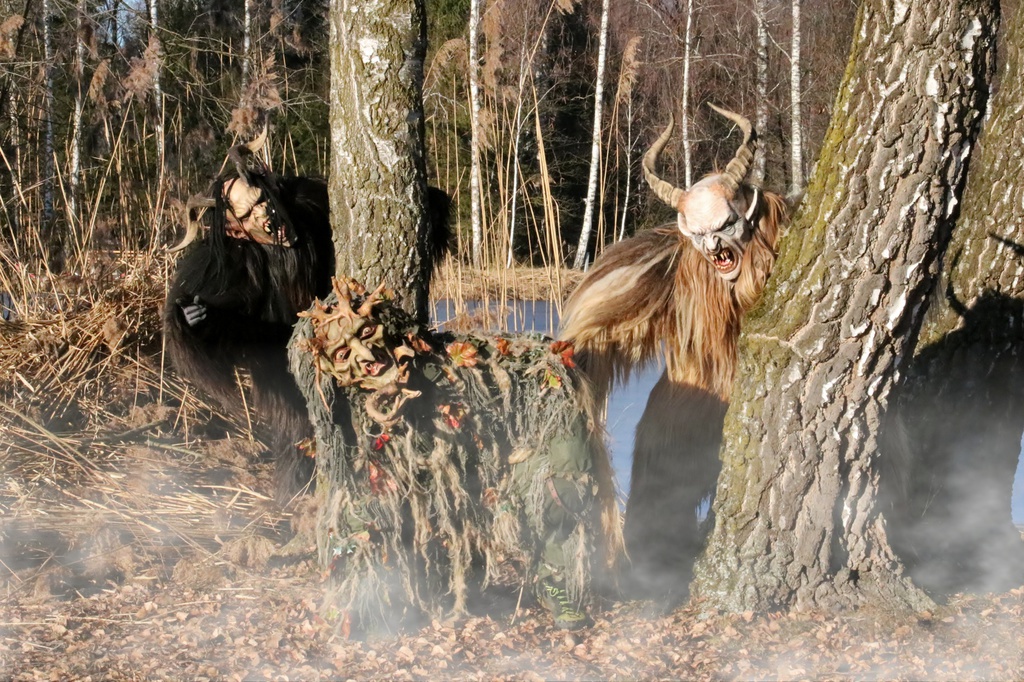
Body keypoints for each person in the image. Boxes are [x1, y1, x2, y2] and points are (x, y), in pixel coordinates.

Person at [293, 277, 621, 633]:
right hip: (433, 516)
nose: (368, 356)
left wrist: (560, 445)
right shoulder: (346, 422)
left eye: (367, 333)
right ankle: (391, 597)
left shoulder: (447, 363)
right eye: (344, 355)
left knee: (564, 478)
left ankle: (554, 580)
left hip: (488, 486)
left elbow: (544, 360)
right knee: (362, 518)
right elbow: (353, 505)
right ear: (331, 372)